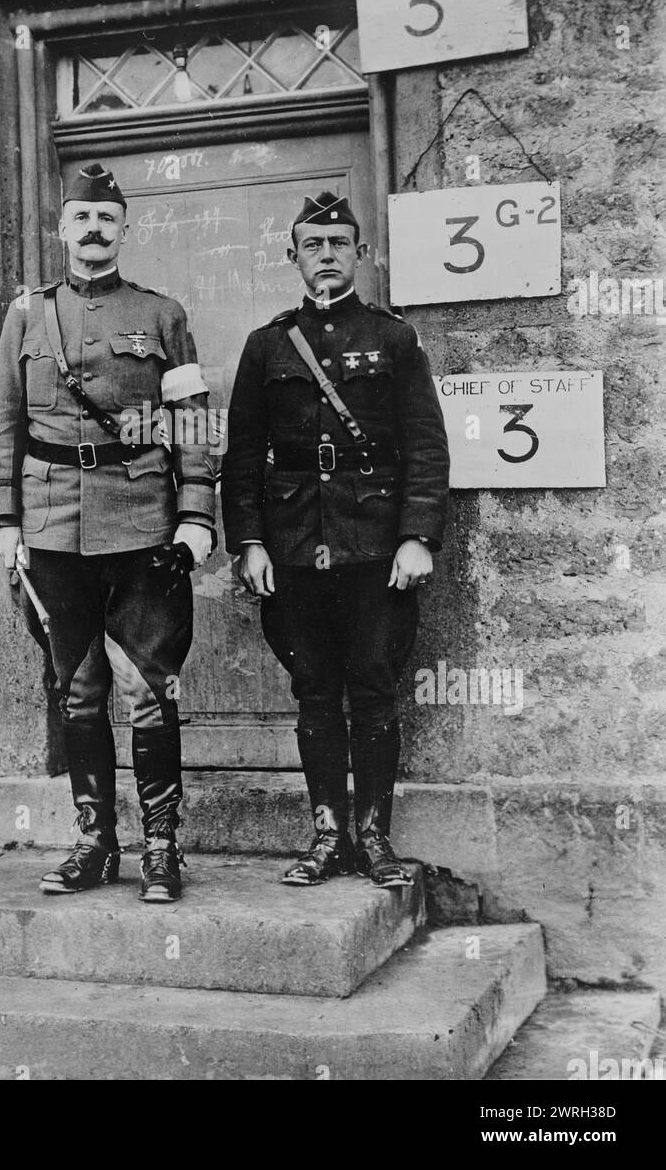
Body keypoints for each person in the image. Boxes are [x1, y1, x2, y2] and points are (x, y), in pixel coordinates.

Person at [0, 162, 218, 902]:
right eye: (81, 219)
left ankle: (161, 847)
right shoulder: (26, 315)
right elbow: (4, 422)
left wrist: (197, 516)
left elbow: (196, 426)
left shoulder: (162, 315)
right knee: (78, 694)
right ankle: (94, 844)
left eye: (106, 220)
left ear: (124, 231)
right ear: (63, 231)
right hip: (51, 528)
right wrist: (2, 518)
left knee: (148, 693)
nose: (93, 230)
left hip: (143, 522)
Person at [221, 190, 449, 888]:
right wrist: (250, 543)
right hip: (293, 547)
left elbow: (425, 446)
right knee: (316, 692)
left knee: (375, 691)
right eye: (313, 246)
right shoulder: (266, 345)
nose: (327, 255)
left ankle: (374, 839)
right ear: (293, 257)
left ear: (360, 253)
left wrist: (417, 536)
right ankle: (326, 837)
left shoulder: (394, 338)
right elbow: (242, 455)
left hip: (376, 546)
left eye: (339, 244)